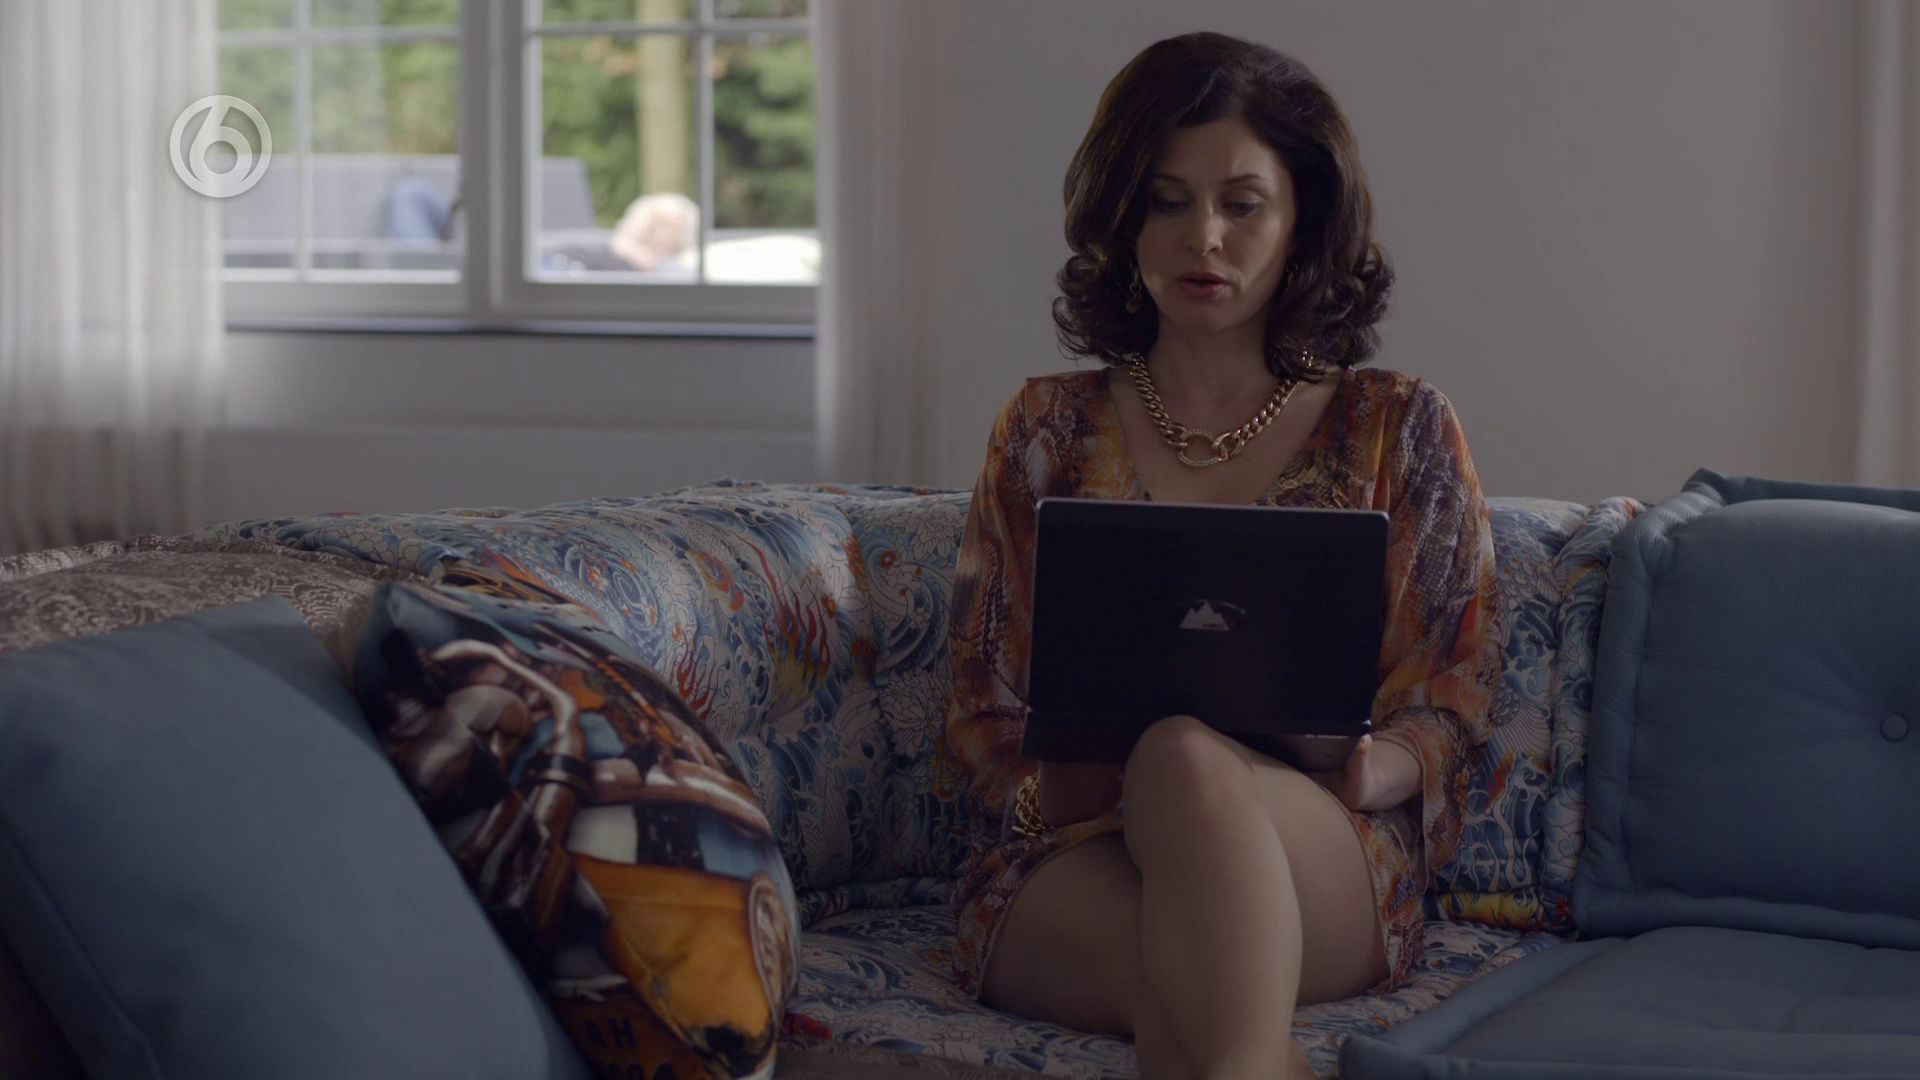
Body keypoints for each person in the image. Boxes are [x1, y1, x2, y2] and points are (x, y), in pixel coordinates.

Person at [938, 31, 1503, 1080]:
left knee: (1184, 759)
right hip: (1078, 856)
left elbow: (1456, 695)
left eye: (1243, 205)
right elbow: (980, 707)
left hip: (1316, 842)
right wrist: (1050, 785)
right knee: (1194, 972)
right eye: (1167, 201)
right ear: (1123, 218)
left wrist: (1369, 764)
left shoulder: (1399, 426)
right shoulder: (1042, 430)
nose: (1204, 237)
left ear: (1301, 224)